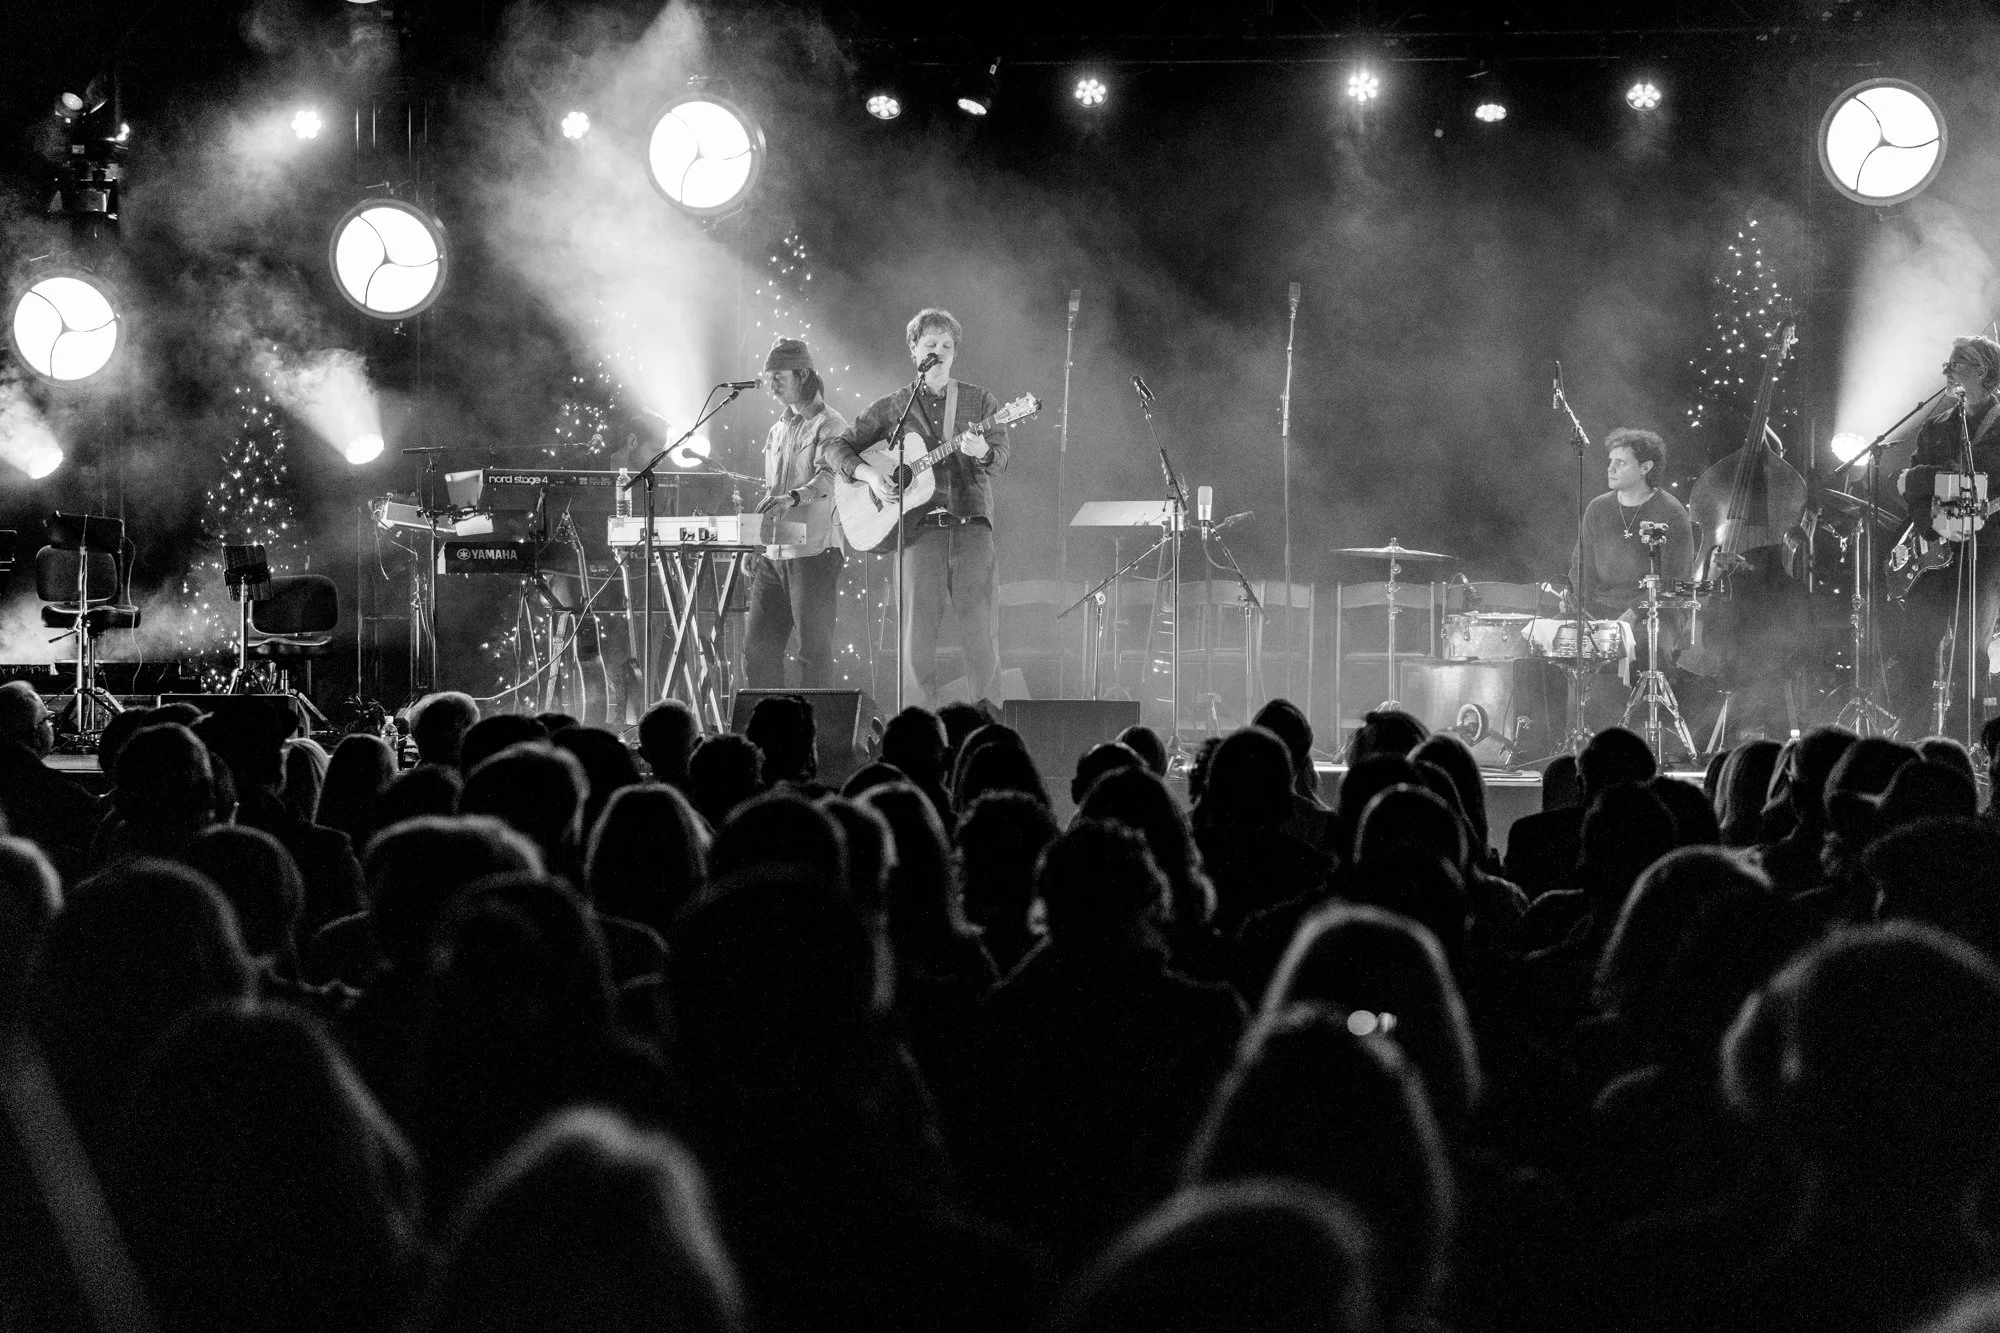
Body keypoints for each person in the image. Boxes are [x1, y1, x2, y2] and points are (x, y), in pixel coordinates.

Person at [825, 308, 1011, 708]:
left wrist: (983, 451)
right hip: (918, 532)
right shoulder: (894, 406)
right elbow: (835, 447)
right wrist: (871, 476)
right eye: (931, 345)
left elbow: (1001, 458)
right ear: (914, 350)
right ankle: (917, 730)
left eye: (947, 346)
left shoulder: (980, 401)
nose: (940, 352)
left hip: (971, 527)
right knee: (916, 638)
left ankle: (988, 728)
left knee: (981, 633)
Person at [1895, 335, 2000, 730]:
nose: (1948, 367)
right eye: (1950, 361)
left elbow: (1982, 475)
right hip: (1935, 546)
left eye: (1959, 361)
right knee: (1917, 643)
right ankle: (1914, 734)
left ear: (1983, 369)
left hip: (1985, 549)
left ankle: (1963, 738)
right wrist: (1930, 526)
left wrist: (1922, 478)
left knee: (1970, 650)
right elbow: (1908, 488)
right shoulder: (1938, 424)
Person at [745, 338, 851, 690]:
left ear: (802, 374)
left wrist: (794, 497)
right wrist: (756, 543)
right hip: (774, 554)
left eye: (777, 376)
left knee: (813, 653)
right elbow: (770, 491)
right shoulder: (777, 430)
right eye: (768, 377)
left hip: (815, 552)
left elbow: (831, 476)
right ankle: (766, 733)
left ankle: (814, 738)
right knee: (758, 650)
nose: (770, 385)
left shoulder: (831, 424)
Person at [1571, 427, 1693, 651]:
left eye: (1621, 463)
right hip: (1602, 606)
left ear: (1645, 468)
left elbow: (1675, 579)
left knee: (1648, 645)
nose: (1611, 468)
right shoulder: (1598, 508)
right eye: (1611, 461)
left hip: (1657, 610)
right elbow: (1582, 567)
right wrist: (1574, 603)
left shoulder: (1671, 512)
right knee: (1545, 639)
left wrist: (1638, 610)